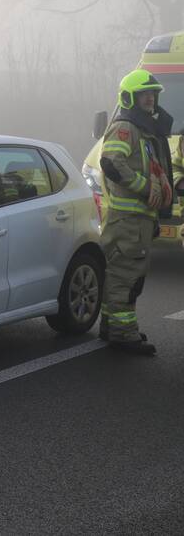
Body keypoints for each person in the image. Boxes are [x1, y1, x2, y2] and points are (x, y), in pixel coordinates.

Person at [97, 69, 174, 356]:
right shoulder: (125, 127)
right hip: (129, 218)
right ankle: (123, 333)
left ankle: (111, 325)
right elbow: (111, 164)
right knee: (126, 276)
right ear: (130, 97)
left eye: (152, 93)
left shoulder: (143, 129)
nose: (150, 99)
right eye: (144, 94)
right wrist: (145, 187)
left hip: (137, 217)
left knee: (122, 272)